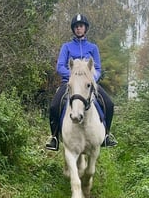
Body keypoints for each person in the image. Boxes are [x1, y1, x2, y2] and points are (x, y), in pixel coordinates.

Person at [45, 14, 117, 151]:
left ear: (85, 28)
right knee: (54, 106)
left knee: (109, 104)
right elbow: (60, 66)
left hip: (88, 84)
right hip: (70, 84)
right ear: (74, 29)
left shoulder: (93, 47)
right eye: (76, 27)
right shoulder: (66, 47)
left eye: (81, 26)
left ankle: (107, 134)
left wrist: (89, 79)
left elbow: (98, 69)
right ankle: (54, 137)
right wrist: (74, 77)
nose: (79, 29)